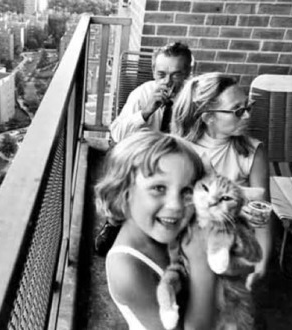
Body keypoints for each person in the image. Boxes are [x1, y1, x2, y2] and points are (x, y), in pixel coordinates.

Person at [97, 130, 216, 330]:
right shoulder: (126, 268)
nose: (176, 205)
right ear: (123, 193)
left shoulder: (174, 232)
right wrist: (202, 264)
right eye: (159, 188)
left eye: (186, 191)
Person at [171, 72, 272, 289]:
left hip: (231, 246)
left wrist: (261, 263)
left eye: (247, 107)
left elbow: (262, 213)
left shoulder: (253, 152)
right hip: (186, 244)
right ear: (208, 118)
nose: (246, 116)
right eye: (238, 110)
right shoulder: (181, 150)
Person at [95, 42, 193, 256]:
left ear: (188, 73)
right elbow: (117, 133)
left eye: (176, 75)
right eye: (161, 74)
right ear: (153, 72)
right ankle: (114, 222)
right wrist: (146, 112)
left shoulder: (194, 100)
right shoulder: (142, 94)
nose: (167, 82)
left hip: (179, 162)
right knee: (121, 172)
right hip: (144, 159)